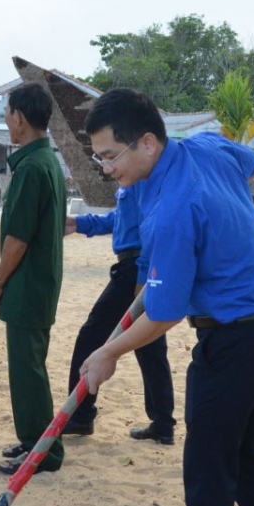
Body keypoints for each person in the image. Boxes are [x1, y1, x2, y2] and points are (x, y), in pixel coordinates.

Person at [79, 89, 254, 506]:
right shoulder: (209, 148)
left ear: (148, 142)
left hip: (234, 338)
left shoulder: (172, 210)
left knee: (208, 463)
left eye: (112, 156)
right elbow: (252, 160)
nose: (106, 168)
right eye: (99, 156)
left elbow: (164, 315)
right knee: (253, 446)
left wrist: (108, 353)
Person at [0, 83, 67, 476]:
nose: (7, 121)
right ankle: (31, 439)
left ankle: (44, 452)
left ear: (19, 117)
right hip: (38, 282)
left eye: (7, 114)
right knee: (28, 366)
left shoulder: (33, 167)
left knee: (28, 369)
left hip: (26, 283)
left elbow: (18, 238)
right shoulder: (44, 161)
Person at [62, 180, 176, 443]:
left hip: (134, 270)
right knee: (150, 345)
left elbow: (154, 225)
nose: (107, 165)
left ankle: (80, 416)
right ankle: (162, 423)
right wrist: (80, 223)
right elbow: (124, 219)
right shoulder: (133, 177)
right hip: (137, 267)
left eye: (110, 155)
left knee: (91, 338)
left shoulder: (143, 177)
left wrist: (142, 275)